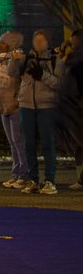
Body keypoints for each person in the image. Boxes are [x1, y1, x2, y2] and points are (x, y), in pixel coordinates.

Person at [16, 29, 60, 195]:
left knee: (48, 144)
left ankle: (50, 180)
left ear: (48, 42)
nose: (38, 43)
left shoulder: (55, 59)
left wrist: (42, 75)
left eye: (42, 40)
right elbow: (14, 74)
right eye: (36, 40)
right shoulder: (27, 58)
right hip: (26, 105)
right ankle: (33, 179)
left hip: (46, 106)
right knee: (28, 145)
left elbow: (59, 84)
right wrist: (16, 61)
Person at [0, 31, 28, 189]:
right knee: (12, 143)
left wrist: (17, 99)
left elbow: (19, 79)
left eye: (4, 42)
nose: (0, 45)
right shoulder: (0, 60)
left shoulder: (19, 59)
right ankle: (16, 173)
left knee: (19, 142)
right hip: (2, 105)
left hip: (15, 105)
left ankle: (24, 174)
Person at [57, 28, 82, 191]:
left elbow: (62, 66)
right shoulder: (75, 56)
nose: (72, 43)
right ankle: (80, 178)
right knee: (78, 145)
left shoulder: (78, 57)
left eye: (74, 41)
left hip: (77, 105)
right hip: (75, 106)